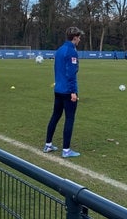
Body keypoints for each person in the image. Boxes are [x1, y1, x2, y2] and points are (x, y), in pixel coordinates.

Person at [43, 27, 84, 158]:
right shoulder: (71, 51)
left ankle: (48, 144)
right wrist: (73, 91)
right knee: (69, 118)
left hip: (58, 89)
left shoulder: (60, 50)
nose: (80, 39)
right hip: (68, 90)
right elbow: (71, 73)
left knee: (55, 116)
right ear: (75, 37)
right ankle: (66, 150)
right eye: (79, 37)